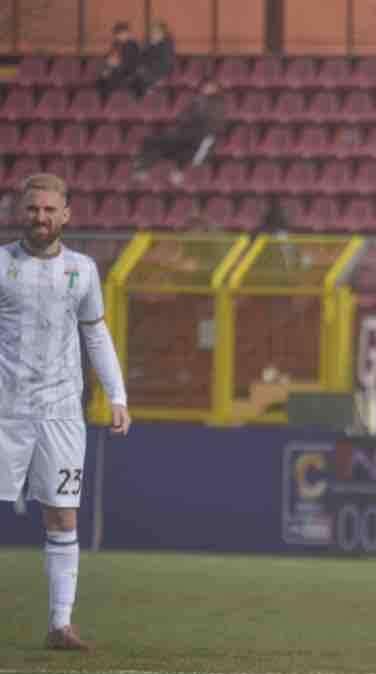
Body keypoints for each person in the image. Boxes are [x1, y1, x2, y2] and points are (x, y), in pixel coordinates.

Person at [0, 173, 132, 651]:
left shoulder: (82, 270)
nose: (41, 217)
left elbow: (95, 334)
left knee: (62, 517)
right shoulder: (1, 265)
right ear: (21, 211)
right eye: (33, 209)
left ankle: (60, 625)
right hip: (5, 411)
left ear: (66, 214)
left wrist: (116, 395)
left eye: (49, 210)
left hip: (60, 414)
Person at [134, 78, 226, 185]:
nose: (206, 88)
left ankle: (175, 173)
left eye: (210, 86)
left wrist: (192, 122)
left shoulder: (217, 104)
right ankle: (144, 170)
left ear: (217, 89)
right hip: (186, 134)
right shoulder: (198, 101)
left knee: (180, 151)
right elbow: (184, 116)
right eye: (205, 86)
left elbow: (211, 123)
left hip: (201, 138)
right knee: (155, 143)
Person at [98, 21, 140, 97]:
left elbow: (130, 63)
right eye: (117, 34)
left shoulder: (132, 45)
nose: (118, 37)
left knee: (109, 81)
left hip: (128, 72)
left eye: (120, 34)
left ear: (127, 33)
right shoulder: (116, 44)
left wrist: (116, 65)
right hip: (118, 70)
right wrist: (108, 63)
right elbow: (109, 56)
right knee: (101, 79)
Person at [134, 20, 175, 97]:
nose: (154, 34)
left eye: (157, 32)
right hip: (147, 70)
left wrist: (154, 46)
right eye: (153, 32)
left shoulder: (167, 44)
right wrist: (148, 45)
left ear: (163, 33)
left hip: (160, 71)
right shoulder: (148, 43)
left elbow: (166, 63)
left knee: (141, 73)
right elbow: (141, 56)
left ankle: (148, 91)